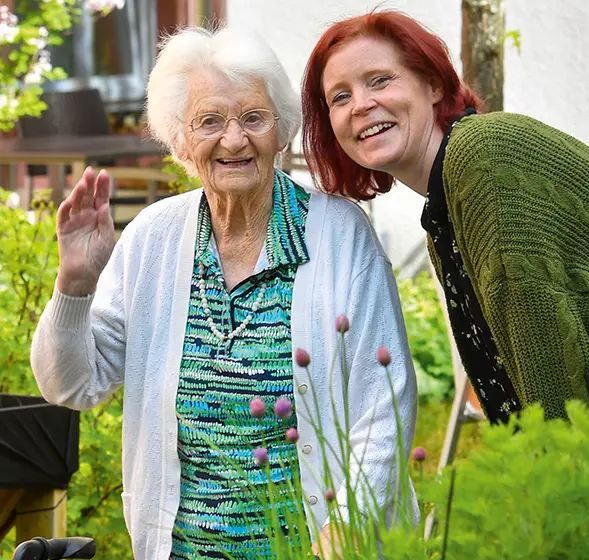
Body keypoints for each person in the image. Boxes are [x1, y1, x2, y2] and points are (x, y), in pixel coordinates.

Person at [30, 26, 418, 559]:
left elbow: (383, 403)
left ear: (281, 131)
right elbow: (72, 384)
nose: (233, 140)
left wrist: (345, 531)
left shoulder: (339, 236)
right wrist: (74, 286)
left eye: (253, 118)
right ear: (180, 141)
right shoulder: (153, 238)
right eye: (209, 121)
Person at [301, 10, 589, 425]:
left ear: (433, 85)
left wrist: (557, 464)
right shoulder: (444, 205)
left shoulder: (483, 157)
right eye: (340, 97)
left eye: (380, 80)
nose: (361, 105)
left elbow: (548, 361)